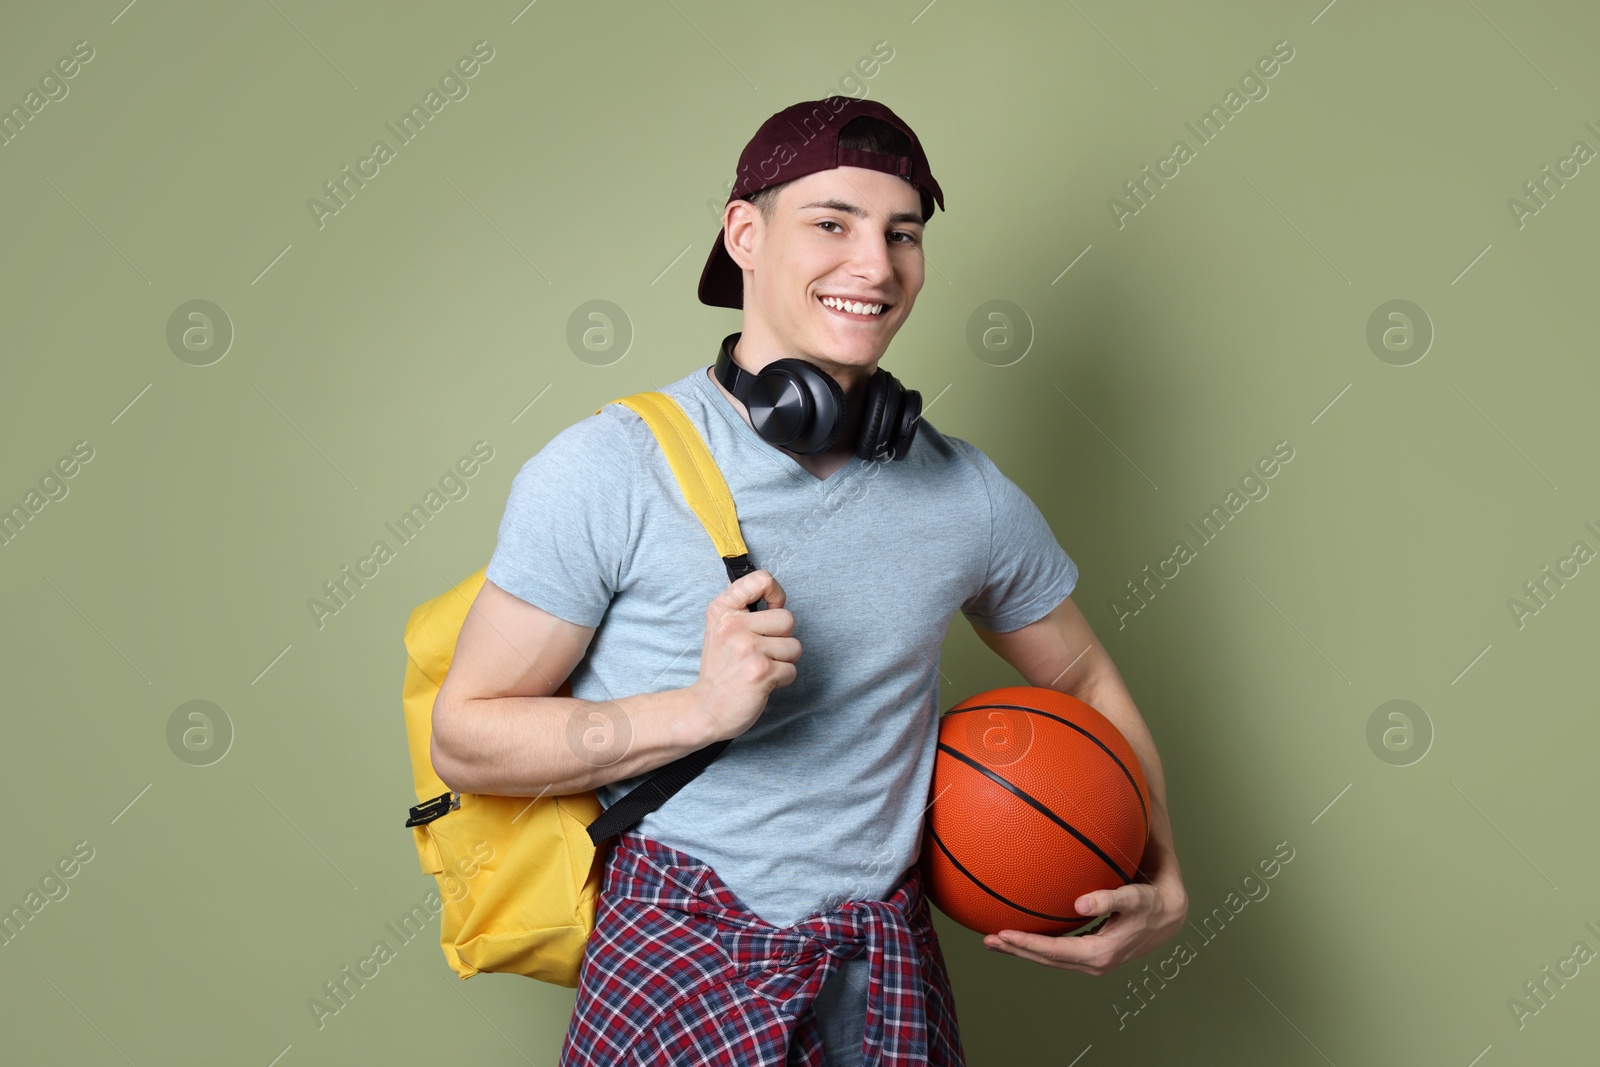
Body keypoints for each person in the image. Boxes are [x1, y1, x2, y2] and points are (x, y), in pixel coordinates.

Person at [430, 96, 1188, 1066]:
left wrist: (1161, 869)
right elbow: (468, 732)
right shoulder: (607, 468)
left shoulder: (966, 494)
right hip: (677, 952)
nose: (874, 264)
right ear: (744, 232)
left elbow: (1081, 680)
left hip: (883, 963)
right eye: (832, 223)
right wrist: (699, 708)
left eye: (901, 233)